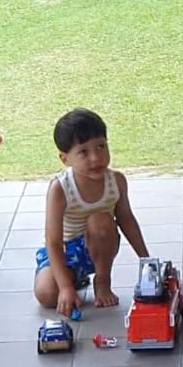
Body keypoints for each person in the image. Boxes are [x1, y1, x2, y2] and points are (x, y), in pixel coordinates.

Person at [33, 107, 152, 317]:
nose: (96, 158)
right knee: (47, 294)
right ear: (65, 159)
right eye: (84, 152)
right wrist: (65, 287)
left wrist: (146, 260)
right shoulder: (60, 188)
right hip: (64, 250)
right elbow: (53, 241)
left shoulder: (116, 181)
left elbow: (126, 219)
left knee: (100, 220)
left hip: (100, 244)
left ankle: (102, 281)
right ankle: (72, 279)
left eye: (101, 146)